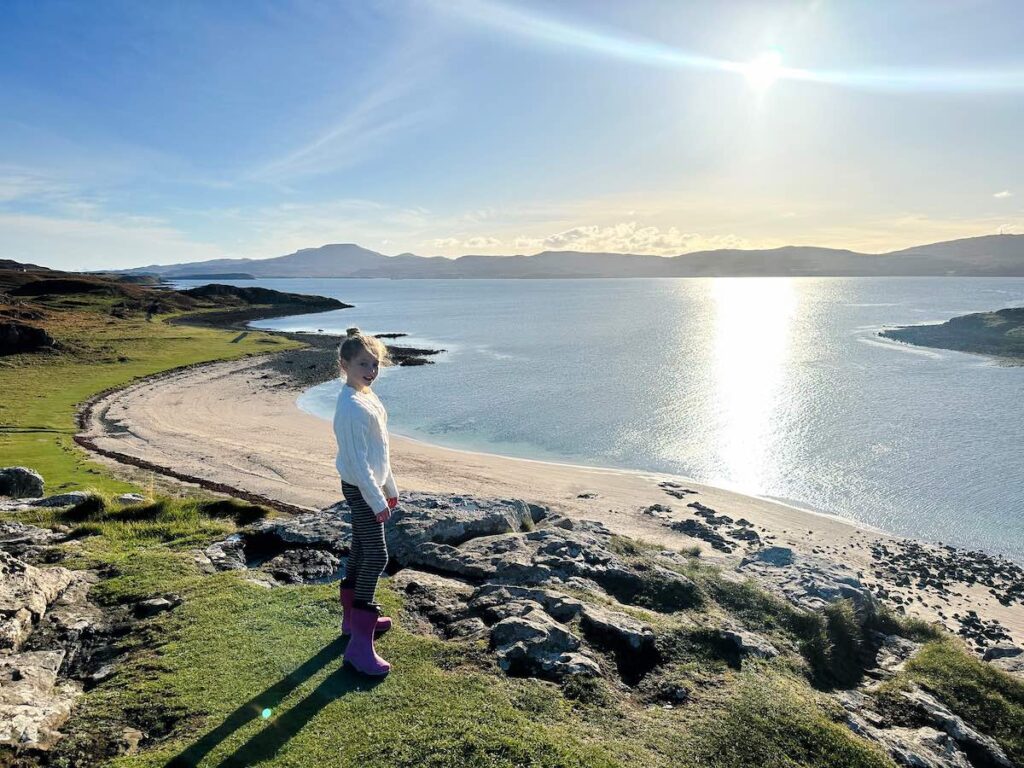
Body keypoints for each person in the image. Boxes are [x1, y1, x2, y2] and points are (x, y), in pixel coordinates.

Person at [334, 327, 399, 676]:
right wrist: (377, 501)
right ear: (344, 364)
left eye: (375, 364)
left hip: (368, 486)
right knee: (377, 555)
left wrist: (391, 486)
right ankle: (359, 647)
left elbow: (379, 450)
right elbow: (359, 464)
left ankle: (350, 622)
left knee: (361, 550)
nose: (371, 370)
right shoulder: (351, 407)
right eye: (363, 363)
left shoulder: (367, 396)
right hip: (360, 489)